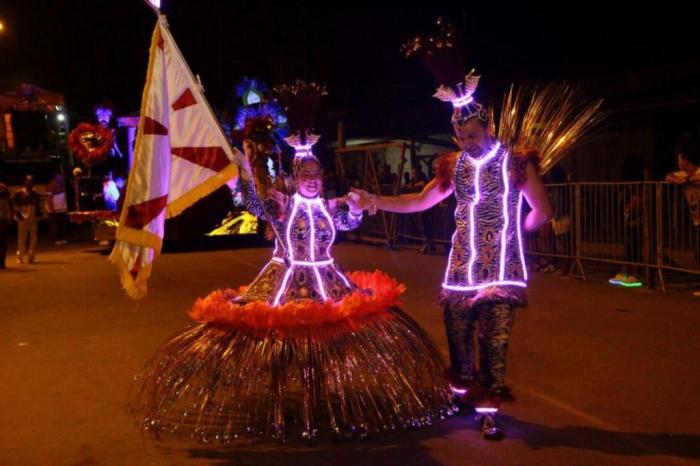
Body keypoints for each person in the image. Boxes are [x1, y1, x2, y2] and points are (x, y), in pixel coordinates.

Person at [129, 81, 453, 443]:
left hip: (327, 284)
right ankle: (281, 401)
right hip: (285, 283)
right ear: (295, 179)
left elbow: (348, 220)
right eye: (305, 176)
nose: (312, 182)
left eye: (316, 176)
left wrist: (360, 207)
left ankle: (321, 400)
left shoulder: (333, 207)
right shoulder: (282, 207)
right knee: (282, 345)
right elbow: (254, 203)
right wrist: (247, 172)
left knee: (325, 346)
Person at [353, 19, 600, 440]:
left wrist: (515, 236)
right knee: (459, 341)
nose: (468, 141)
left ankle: (488, 410)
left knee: (494, 342)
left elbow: (540, 209)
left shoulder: (515, 162)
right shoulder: (453, 167)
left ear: (486, 126)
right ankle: (460, 394)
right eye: (460, 136)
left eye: (473, 134)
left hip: (500, 272)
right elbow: (419, 201)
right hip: (460, 272)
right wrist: (375, 202)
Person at [665, 135, 700, 297]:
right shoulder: (681, 174)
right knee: (697, 253)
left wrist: (687, 180)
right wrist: (677, 179)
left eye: (680, 159)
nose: (678, 162)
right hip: (697, 219)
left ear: (686, 161)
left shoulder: (697, 173)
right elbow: (668, 176)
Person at [12, 175, 42, 264]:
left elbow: (38, 206)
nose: (30, 183)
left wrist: (38, 216)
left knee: (33, 239)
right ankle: (20, 257)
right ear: (24, 182)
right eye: (28, 181)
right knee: (22, 239)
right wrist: (18, 215)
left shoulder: (35, 194)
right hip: (23, 217)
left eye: (31, 181)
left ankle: (31, 257)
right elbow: (15, 205)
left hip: (33, 218)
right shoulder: (19, 193)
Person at [46, 170, 68, 246]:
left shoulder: (62, 184)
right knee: (55, 225)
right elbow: (49, 198)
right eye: (60, 177)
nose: (61, 178)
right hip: (54, 209)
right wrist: (51, 208)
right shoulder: (51, 185)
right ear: (55, 177)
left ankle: (62, 238)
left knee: (62, 224)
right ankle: (55, 240)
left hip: (62, 208)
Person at [0, 183, 12, 269]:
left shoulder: (4, 200)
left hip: (3, 220)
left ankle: (2, 262)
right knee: (2, 242)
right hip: (3, 220)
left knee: (3, 242)